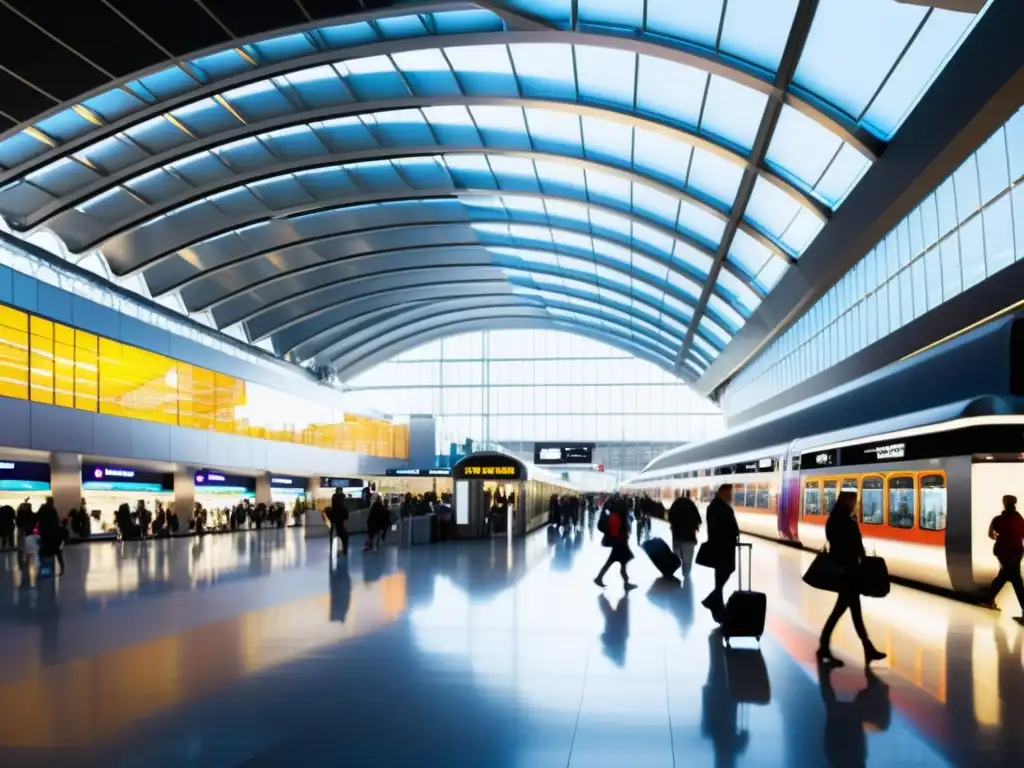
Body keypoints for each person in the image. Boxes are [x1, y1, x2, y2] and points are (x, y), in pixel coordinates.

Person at [817, 491, 886, 667]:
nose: (855, 505)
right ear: (848, 502)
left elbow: (834, 543)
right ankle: (827, 648)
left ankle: (867, 649)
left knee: (852, 613)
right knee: (844, 613)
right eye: (854, 501)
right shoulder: (848, 522)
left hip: (842, 572)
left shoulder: (833, 520)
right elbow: (857, 547)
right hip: (850, 573)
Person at [701, 484, 739, 621]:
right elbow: (723, 527)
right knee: (725, 572)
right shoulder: (719, 507)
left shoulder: (716, 505)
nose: (731, 496)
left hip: (722, 547)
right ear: (723, 493)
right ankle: (714, 603)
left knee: (721, 576)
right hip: (722, 548)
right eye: (730, 493)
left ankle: (717, 607)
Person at [983, 494, 1024, 619]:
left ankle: (988, 600)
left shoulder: (998, 520)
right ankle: (989, 600)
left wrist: (998, 536)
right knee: (1014, 579)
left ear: (1004, 504)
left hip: (1003, 553)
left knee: (1006, 577)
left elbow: (990, 534)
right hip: (1016, 553)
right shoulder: (1020, 519)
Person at [594, 496, 635, 590]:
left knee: (616, 562)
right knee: (620, 562)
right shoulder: (621, 514)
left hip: (619, 542)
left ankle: (600, 578)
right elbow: (623, 528)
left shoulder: (615, 512)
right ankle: (626, 583)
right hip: (621, 543)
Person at [669, 491, 702, 578]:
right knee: (687, 560)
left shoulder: (676, 503)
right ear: (689, 495)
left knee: (676, 556)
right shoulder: (691, 504)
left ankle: (672, 572)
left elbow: (670, 516)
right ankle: (686, 574)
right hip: (689, 538)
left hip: (677, 537)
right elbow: (699, 520)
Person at [37, 496, 63, 576]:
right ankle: (62, 569)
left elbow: (38, 517)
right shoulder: (53, 510)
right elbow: (57, 521)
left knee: (45, 554)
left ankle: (46, 572)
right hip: (53, 534)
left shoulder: (43, 509)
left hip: (45, 534)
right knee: (57, 552)